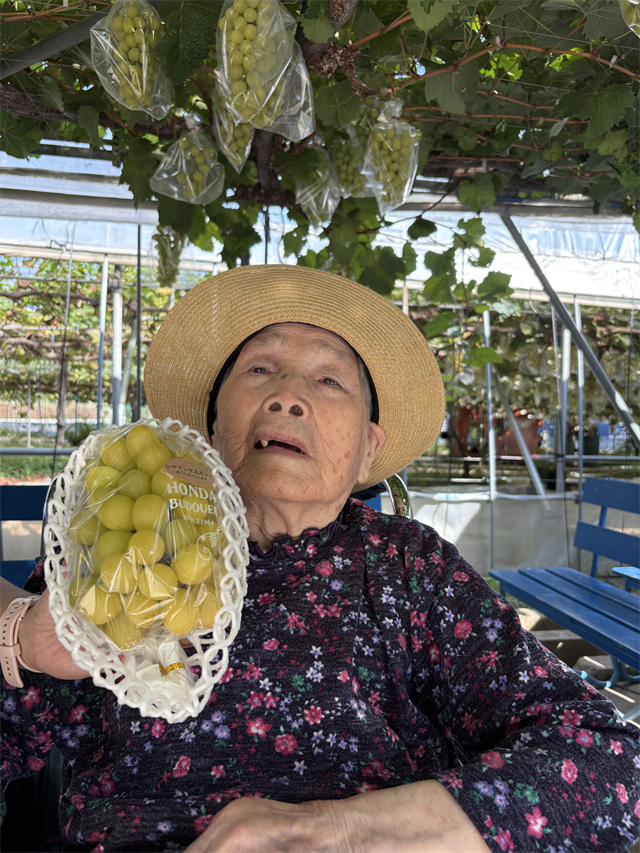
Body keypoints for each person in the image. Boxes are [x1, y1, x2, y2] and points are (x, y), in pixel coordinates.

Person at [1, 265, 639, 853]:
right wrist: (20, 638)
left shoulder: (409, 569)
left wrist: (335, 830)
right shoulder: (126, 560)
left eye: (329, 379)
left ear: (367, 449)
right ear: (211, 424)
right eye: (259, 370)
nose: (287, 397)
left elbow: (611, 761)